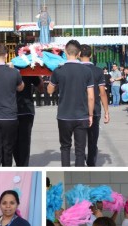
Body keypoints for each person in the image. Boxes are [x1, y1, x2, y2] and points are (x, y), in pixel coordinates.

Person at [48, 39, 94, 167]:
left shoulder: (58, 70)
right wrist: (90, 115)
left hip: (64, 115)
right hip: (81, 115)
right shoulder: (86, 71)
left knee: (65, 147)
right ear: (79, 53)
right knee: (80, 150)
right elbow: (91, 96)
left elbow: (50, 90)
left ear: (65, 52)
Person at [80, 44, 110, 167]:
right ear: (91, 55)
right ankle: (91, 163)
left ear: (78, 55)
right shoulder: (98, 71)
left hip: (79, 110)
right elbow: (102, 93)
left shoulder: (76, 70)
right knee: (93, 140)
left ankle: (79, 162)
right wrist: (107, 111)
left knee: (79, 140)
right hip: (96, 109)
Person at [14, 46, 42, 167]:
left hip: (13, 110)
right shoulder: (29, 68)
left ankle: (19, 164)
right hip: (26, 109)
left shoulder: (10, 68)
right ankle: (23, 165)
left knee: (14, 139)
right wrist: (38, 73)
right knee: (24, 140)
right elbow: (41, 88)